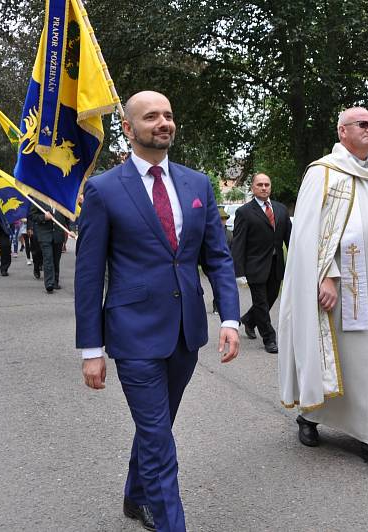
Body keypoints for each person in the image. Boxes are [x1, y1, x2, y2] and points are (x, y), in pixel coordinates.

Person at [75, 90, 240, 532]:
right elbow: (89, 276)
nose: (163, 122)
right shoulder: (104, 189)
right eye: (151, 117)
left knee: (157, 426)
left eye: (168, 114)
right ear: (128, 129)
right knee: (160, 442)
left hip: (185, 334)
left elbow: (218, 258)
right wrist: (91, 348)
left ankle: (134, 496)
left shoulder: (197, 184)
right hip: (133, 336)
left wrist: (229, 318)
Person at [277, 107, 368, 471]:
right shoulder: (323, 173)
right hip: (340, 289)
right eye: (362, 124)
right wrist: (323, 275)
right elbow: (309, 234)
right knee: (343, 358)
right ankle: (342, 425)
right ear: (342, 131)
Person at [231, 173, 292, 353]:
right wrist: (239, 272)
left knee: (270, 298)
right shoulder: (244, 212)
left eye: (267, 184)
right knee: (261, 303)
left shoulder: (281, 210)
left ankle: (249, 320)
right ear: (253, 188)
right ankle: (269, 339)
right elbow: (238, 243)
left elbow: (290, 239)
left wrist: (297, 259)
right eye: (260, 185)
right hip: (255, 266)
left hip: (276, 265)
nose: (264, 188)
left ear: (270, 187)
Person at [28, 198, 69, 293]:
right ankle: (49, 283)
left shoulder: (61, 198)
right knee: (48, 257)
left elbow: (68, 216)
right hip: (45, 234)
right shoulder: (39, 198)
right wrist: (43, 217)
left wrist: (70, 229)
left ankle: (55, 281)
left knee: (56, 259)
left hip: (58, 234)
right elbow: (32, 215)